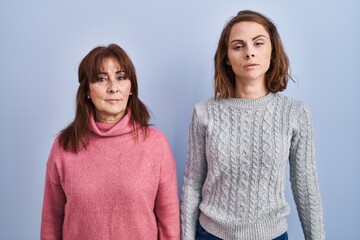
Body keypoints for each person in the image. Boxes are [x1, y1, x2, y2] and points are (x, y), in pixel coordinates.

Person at [181, 10, 325, 240]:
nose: (249, 53)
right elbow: (192, 184)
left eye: (258, 43)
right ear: (227, 57)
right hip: (211, 234)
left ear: (272, 51)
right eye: (238, 46)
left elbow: (306, 187)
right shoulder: (204, 113)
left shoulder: (295, 113)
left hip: (272, 235)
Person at [41, 43, 180, 240]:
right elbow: (51, 222)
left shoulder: (155, 144)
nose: (113, 88)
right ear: (87, 90)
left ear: (131, 88)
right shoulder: (64, 145)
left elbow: (169, 223)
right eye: (101, 79)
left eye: (121, 77)